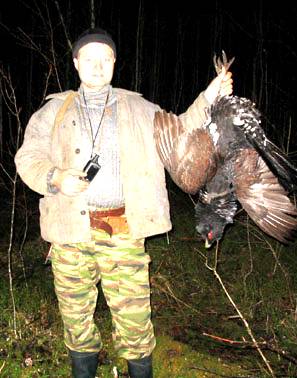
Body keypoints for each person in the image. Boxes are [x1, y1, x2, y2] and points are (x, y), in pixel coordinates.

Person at [15, 28, 233, 378]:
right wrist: (55, 177)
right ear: (76, 63)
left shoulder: (139, 107)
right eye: (90, 58)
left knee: (134, 320)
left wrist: (208, 96)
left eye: (105, 58)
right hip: (70, 231)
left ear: (115, 63)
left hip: (124, 231)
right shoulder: (53, 111)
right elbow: (27, 158)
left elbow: (180, 129)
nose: (97, 65)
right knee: (75, 317)